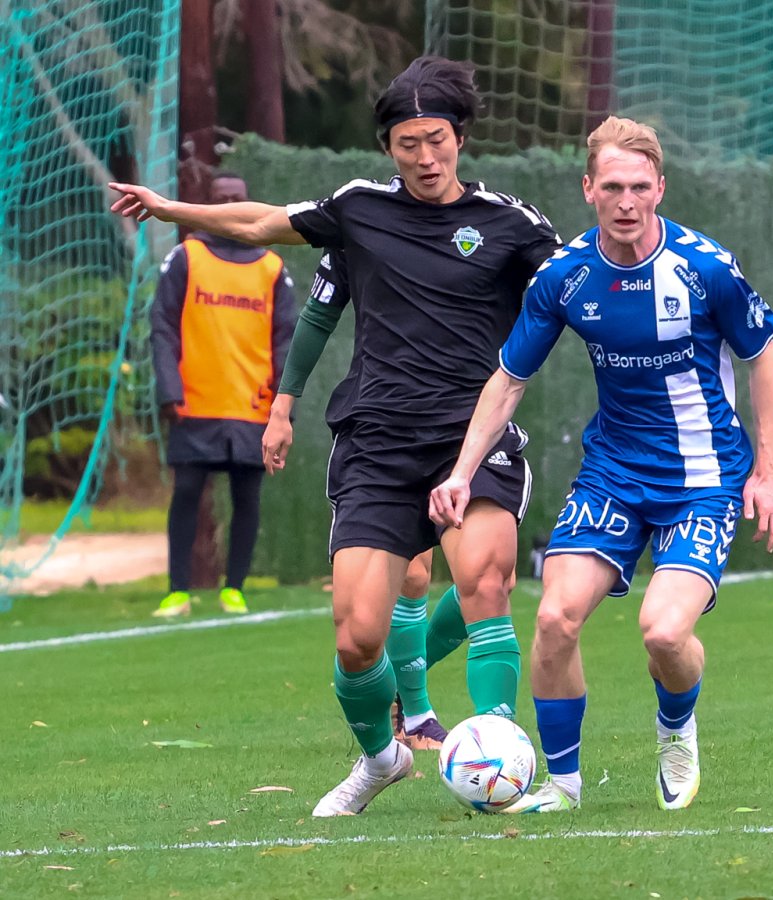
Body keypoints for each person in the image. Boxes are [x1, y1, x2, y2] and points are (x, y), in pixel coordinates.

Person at [111, 56, 561, 816]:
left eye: (438, 140)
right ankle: (383, 757)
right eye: (409, 144)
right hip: (376, 443)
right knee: (356, 638)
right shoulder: (359, 209)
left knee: (485, 586)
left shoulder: (512, 225)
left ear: (460, 138)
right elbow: (259, 223)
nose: (426, 158)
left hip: (471, 439)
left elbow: (578, 286)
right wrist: (167, 208)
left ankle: (498, 753)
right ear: (388, 147)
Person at [430, 116, 773, 814]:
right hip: (614, 475)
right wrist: (462, 472)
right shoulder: (565, 277)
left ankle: (676, 729)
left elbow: (762, 356)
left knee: (664, 632)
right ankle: (563, 785)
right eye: (613, 187)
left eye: (640, 187)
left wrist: (765, 473)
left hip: (703, 481)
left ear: (660, 189)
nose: (627, 202)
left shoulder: (705, 267)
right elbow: (509, 380)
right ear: (588, 188)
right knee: (555, 619)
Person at [264, 249, 468, 751]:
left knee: (485, 577)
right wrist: (283, 407)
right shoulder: (361, 224)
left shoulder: (488, 223)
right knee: (413, 577)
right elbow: (317, 310)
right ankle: (414, 714)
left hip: (465, 415)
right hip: (383, 427)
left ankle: (406, 694)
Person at [149, 172, 296, 618]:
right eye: (220, 198)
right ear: (209, 205)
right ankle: (177, 591)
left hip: (253, 405)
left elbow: (286, 339)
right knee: (187, 493)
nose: (229, 204)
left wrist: (283, 403)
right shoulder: (185, 257)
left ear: (246, 202)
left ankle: (235, 588)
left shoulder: (272, 267)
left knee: (247, 497)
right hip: (196, 401)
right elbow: (162, 328)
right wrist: (169, 390)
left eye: (236, 197)